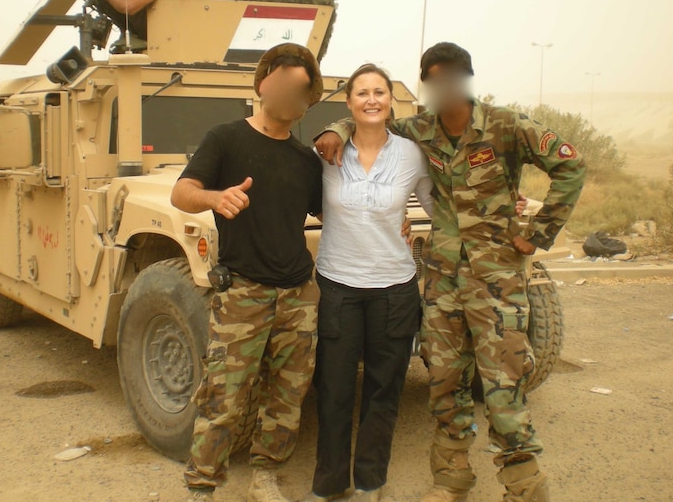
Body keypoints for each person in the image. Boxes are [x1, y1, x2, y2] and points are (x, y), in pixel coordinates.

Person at [315, 43, 587, 502]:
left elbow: (571, 165)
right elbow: (369, 119)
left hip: (496, 283)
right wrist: (336, 126)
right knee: (443, 382)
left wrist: (538, 234)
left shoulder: (506, 125)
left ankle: (524, 487)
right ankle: (450, 481)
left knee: (503, 388)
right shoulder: (420, 129)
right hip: (442, 282)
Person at [171, 43, 325, 502]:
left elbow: (333, 212)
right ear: (263, 85)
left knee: (287, 396)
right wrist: (216, 198)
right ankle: (202, 485)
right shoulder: (225, 139)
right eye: (285, 84)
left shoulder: (305, 160)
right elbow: (182, 192)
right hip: (243, 293)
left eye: (303, 90)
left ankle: (265, 475)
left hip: (297, 294)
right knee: (223, 396)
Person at [300, 64, 434, 502]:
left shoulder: (412, 154)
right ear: (349, 103)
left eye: (380, 92)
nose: (371, 99)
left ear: (390, 100)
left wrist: (502, 207)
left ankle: (371, 482)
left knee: (384, 391)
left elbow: (440, 207)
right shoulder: (326, 152)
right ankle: (329, 484)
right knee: (334, 391)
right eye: (362, 93)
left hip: (394, 289)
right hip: (339, 285)